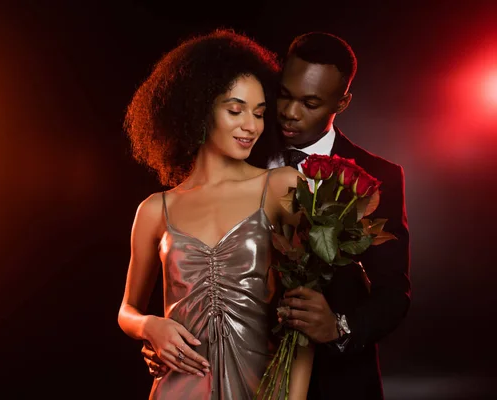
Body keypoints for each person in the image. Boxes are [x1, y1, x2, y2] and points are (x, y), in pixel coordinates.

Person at [142, 32, 411, 400]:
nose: (289, 112)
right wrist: (164, 333)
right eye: (283, 94)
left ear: (342, 101)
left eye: (310, 102)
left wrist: (339, 327)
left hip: (337, 382)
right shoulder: (238, 151)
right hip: (237, 377)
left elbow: (394, 292)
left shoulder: (378, 177)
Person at [117, 29, 313, 399]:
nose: (251, 126)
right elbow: (127, 309)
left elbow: (305, 314)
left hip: (259, 384)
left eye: (258, 113)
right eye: (235, 110)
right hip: (177, 387)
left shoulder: (280, 187)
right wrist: (150, 327)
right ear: (198, 108)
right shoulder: (156, 208)